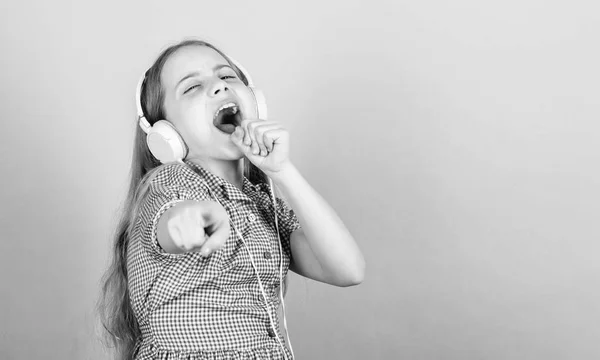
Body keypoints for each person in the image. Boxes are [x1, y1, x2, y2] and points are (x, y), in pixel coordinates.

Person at [99, 39, 365, 360]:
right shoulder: (168, 185)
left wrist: (283, 171)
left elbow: (348, 270)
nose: (218, 88)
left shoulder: (261, 204)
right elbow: (171, 220)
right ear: (166, 135)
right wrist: (195, 223)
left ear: (254, 101)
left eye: (226, 77)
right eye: (193, 87)